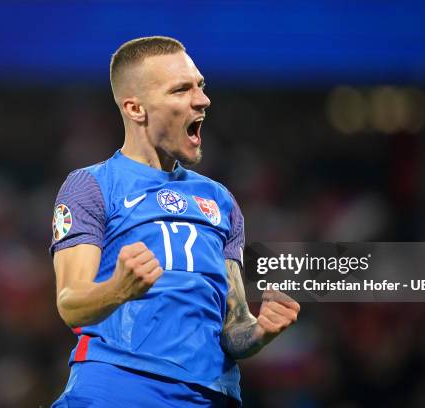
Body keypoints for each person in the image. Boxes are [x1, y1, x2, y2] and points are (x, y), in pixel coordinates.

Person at [50, 36, 300, 407]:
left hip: (212, 395)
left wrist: (260, 331)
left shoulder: (221, 200)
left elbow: (233, 329)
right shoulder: (93, 186)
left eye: (200, 86)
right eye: (182, 89)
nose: (202, 99)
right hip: (121, 388)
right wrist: (119, 288)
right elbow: (70, 303)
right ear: (136, 109)